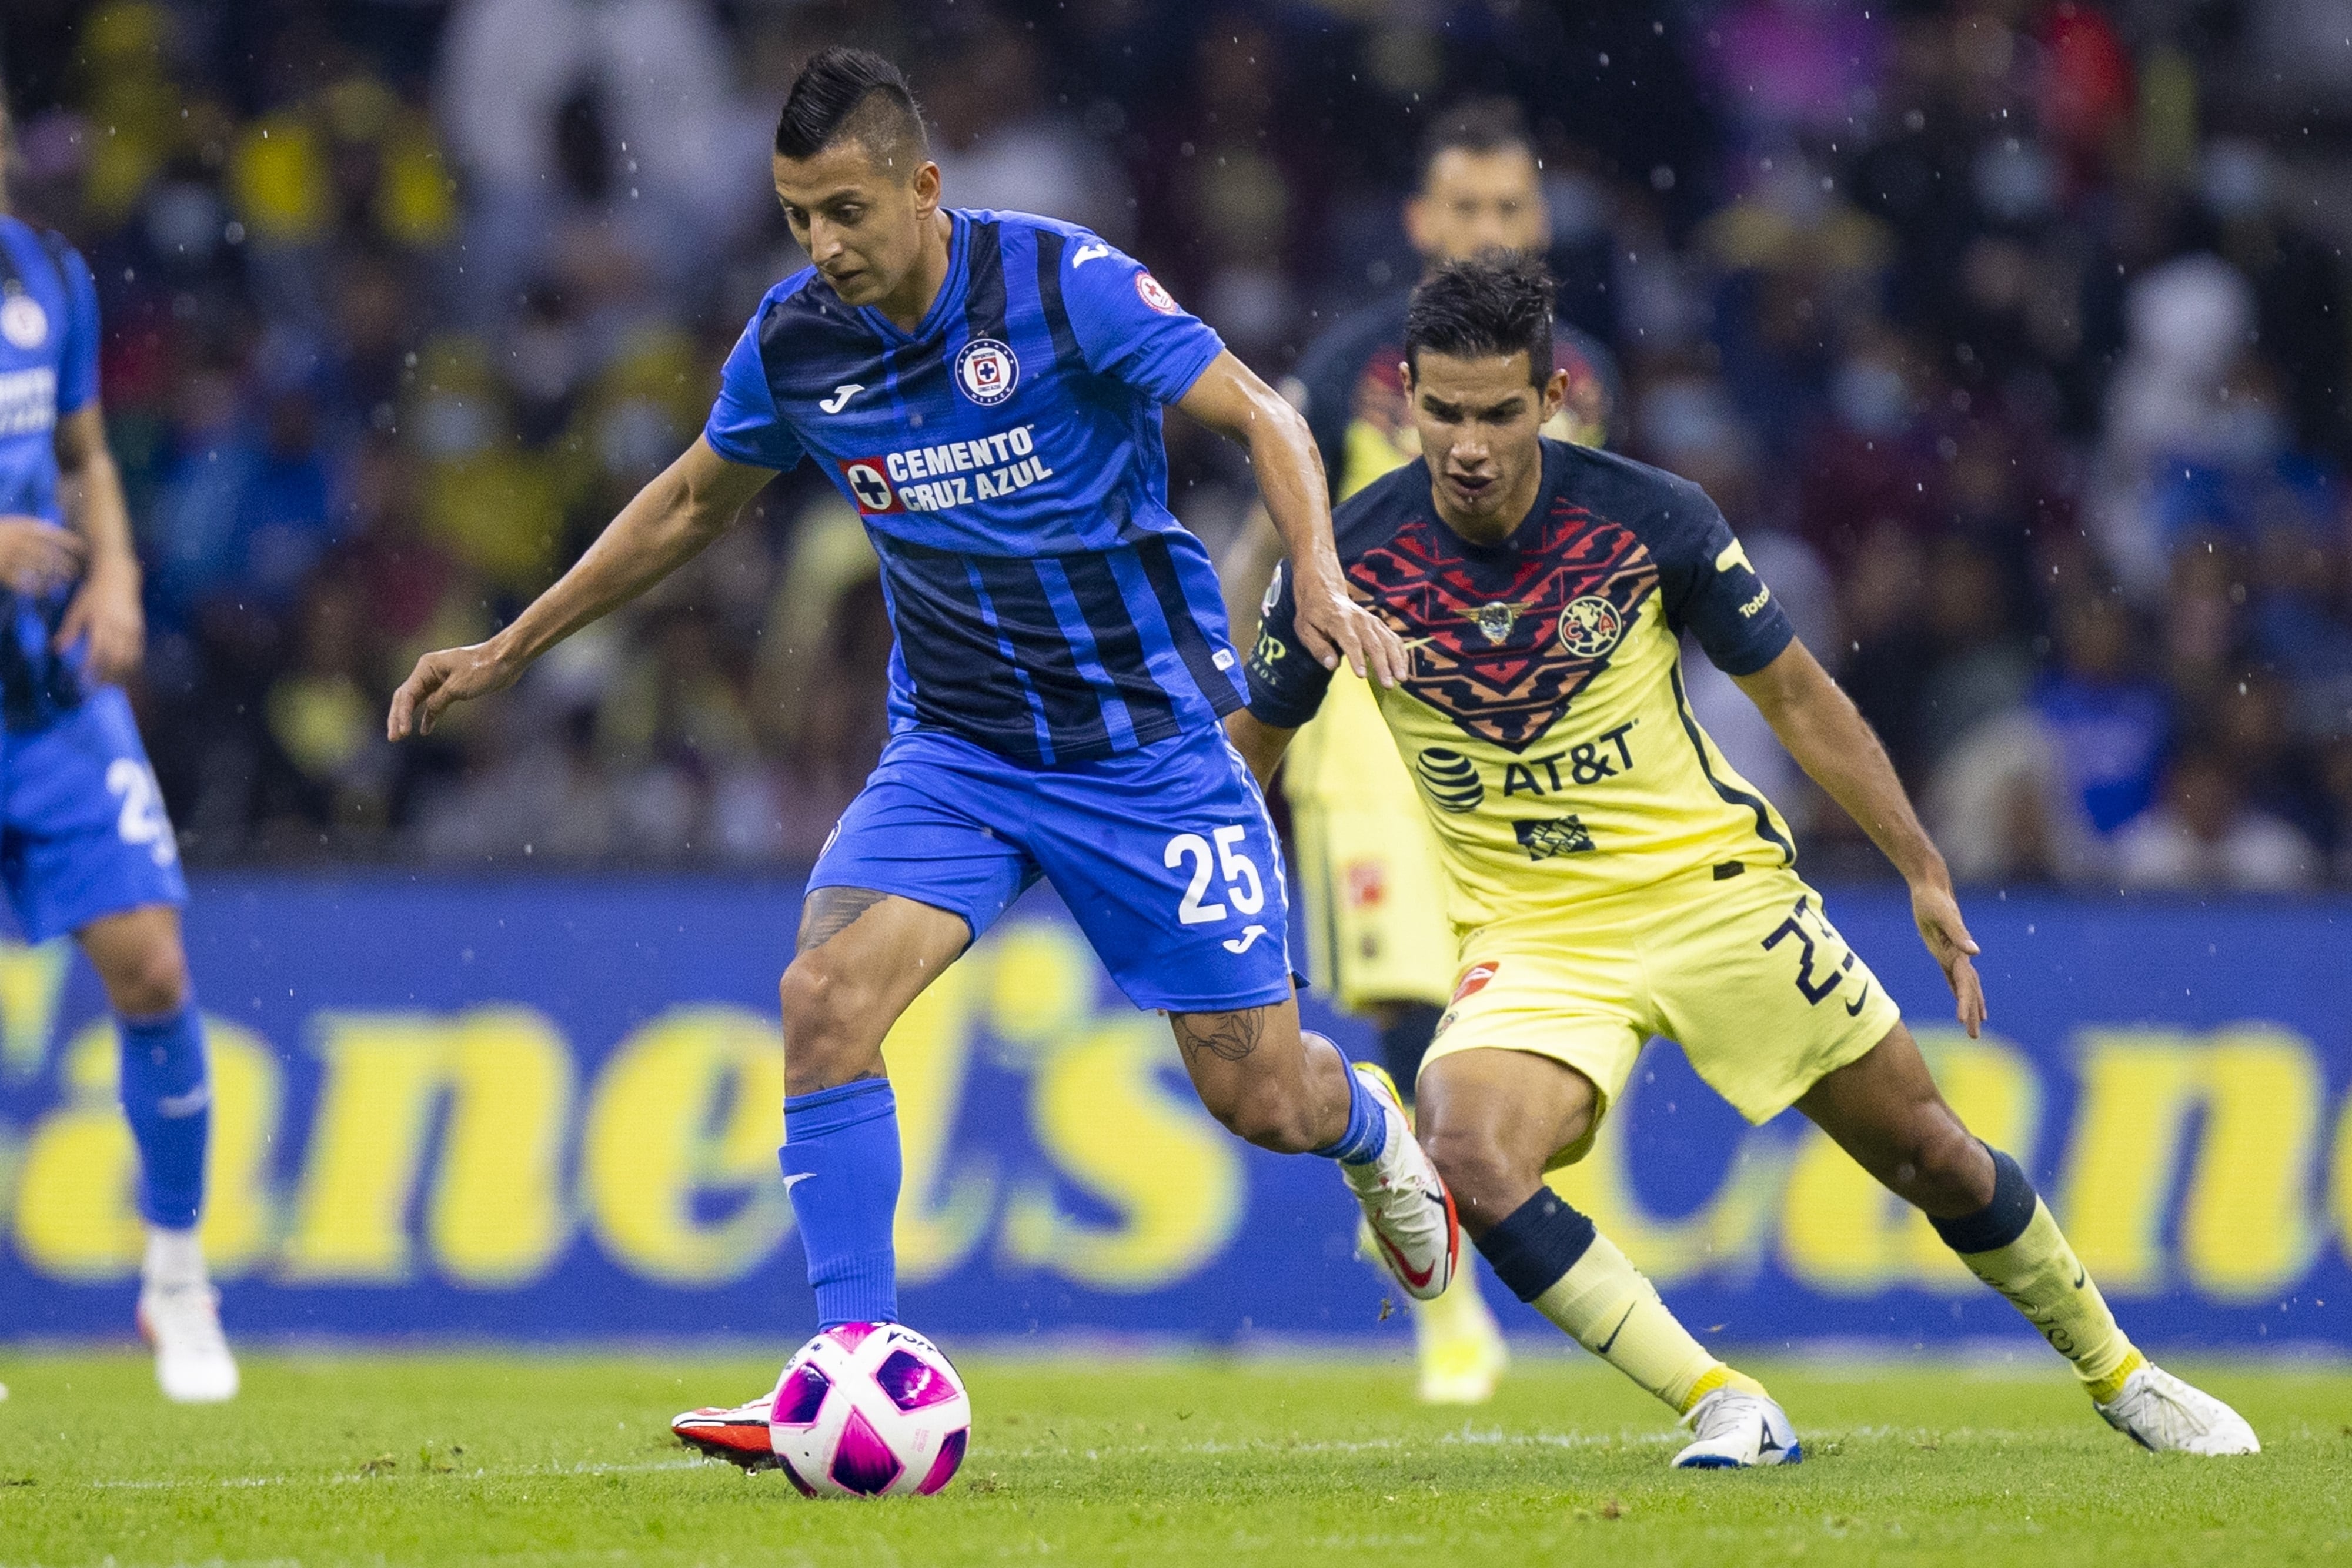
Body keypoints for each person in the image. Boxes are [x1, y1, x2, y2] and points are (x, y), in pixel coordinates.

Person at [385, 48, 1454, 1467]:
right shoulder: (793, 344)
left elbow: (1264, 413)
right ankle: (848, 1358)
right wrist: (511, 646)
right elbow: (694, 500)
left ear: (923, 188)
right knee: (822, 996)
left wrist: (1312, 572)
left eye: (843, 210)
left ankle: (1367, 1126)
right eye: (794, 217)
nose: (821, 246)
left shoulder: (1063, 284)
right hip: (954, 750)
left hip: (1142, 749)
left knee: (1259, 1095)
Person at [1231, 253, 2260, 1466]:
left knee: (1927, 1148)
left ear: (1550, 396)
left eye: (1496, 412)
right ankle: (1722, 1398)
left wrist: (1921, 865)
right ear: (1404, 398)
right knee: (1466, 1150)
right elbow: (1245, 753)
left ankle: (2120, 1370)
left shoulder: (1648, 516)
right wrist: (1211, 922)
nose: (1465, 443)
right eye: (1442, 412)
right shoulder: (1344, 560)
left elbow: (1798, 698)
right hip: (1536, 932)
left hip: (1712, 895)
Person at [1218, 97, 1618, 1406]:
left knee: (1508, 1024)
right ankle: (1445, 1315)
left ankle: (1417, 1206)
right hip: (1367, 738)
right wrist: (1233, 700)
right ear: (1420, 222)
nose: (1488, 230)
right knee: (1408, 1012)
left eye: (1511, 209)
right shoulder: (1343, 373)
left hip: (1528, 739)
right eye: (1467, 208)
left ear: (1539, 224)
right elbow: (1273, 544)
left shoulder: (1585, 381)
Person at [0, 102, 233, 1402]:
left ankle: (177, 1277)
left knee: (149, 960)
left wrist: (123, 577)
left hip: (47, 691)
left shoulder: (47, 277)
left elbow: (84, 459)